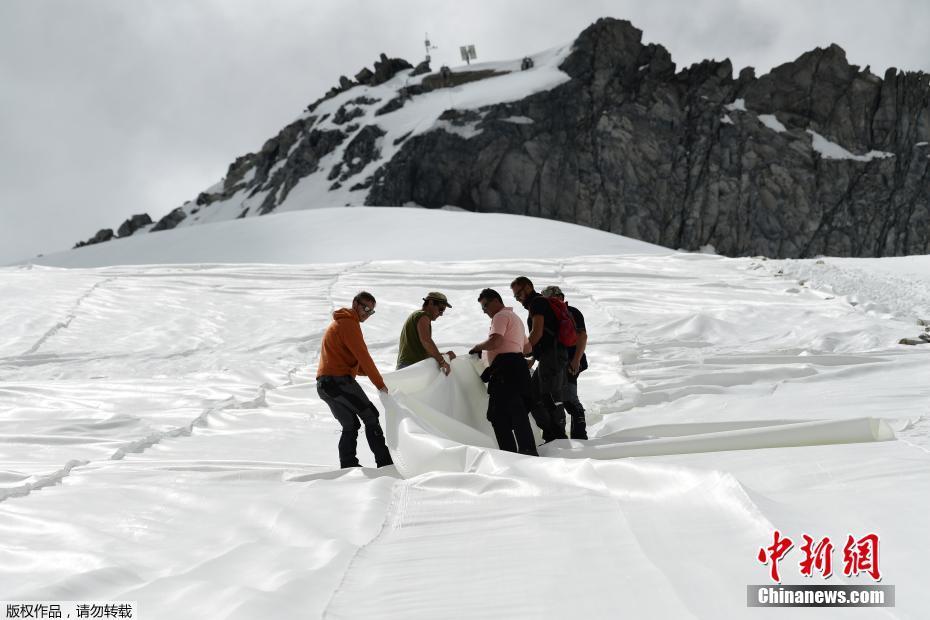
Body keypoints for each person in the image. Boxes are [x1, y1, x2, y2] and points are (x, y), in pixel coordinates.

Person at [315, 292, 393, 469]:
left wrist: (375, 376)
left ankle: (348, 465)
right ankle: (385, 463)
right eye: (365, 308)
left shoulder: (341, 323)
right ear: (355, 303)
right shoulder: (349, 324)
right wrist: (380, 384)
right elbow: (363, 357)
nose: (367, 313)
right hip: (338, 382)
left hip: (325, 386)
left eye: (371, 311)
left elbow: (354, 363)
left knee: (350, 424)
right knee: (371, 415)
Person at [469, 288, 538, 456]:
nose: (484, 311)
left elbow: (496, 341)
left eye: (485, 306)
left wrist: (478, 347)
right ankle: (527, 450)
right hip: (518, 368)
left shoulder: (500, 316)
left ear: (496, 301)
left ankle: (509, 454)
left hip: (505, 370)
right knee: (517, 412)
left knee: (497, 415)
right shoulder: (515, 318)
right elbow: (527, 348)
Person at [510, 276, 568, 442]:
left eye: (519, 293)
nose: (518, 298)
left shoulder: (537, 303)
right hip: (551, 356)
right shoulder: (538, 303)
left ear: (528, 287)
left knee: (545, 396)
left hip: (552, 356)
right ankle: (552, 435)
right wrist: (533, 356)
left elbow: (537, 332)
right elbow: (546, 336)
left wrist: (520, 351)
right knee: (537, 395)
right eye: (515, 296)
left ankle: (557, 437)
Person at [541, 285, 588, 439]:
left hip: (569, 361)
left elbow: (582, 336)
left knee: (569, 398)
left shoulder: (571, 312)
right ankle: (570, 435)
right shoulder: (559, 313)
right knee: (561, 398)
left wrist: (576, 361)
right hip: (559, 362)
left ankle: (579, 435)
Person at [396, 292, 457, 373]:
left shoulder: (416, 316)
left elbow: (425, 349)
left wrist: (444, 356)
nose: (441, 314)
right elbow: (426, 341)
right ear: (431, 303)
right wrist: (442, 361)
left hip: (406, 367)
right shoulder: (423, 316)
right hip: (411, 367)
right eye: (441, 309)